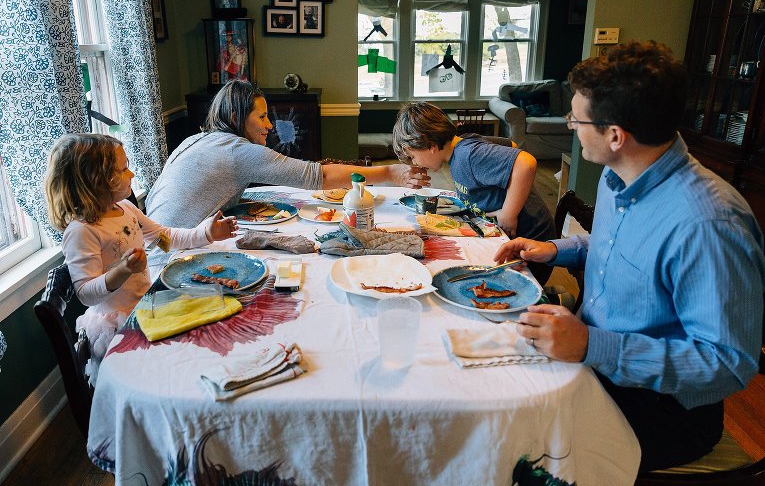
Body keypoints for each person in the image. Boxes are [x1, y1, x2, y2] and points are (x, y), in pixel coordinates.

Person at [493, 41, 765, 472]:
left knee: (510, 444)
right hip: (595, 362)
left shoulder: (709, 223)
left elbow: (729, 364)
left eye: (576, 119)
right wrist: (555, 249)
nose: (571, 126)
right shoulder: (617, 176)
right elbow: (614, 249)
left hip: (663, 410)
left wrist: (590, 343)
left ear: (616, 135)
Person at [44, 134, 238, 384]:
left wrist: (206, 233)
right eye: (123, 169)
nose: (131, 174)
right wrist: (123, 269)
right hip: (119, 325)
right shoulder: (82, 231)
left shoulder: (126, 208)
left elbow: (163, 238)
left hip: (146, 306)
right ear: (96, 180)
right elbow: (85, 293)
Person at [146, 80, 429, 228]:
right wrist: (391, 172)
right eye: (262, 117)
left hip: (156, 243)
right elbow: (320, 176)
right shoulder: (237, 151)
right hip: (173, 255)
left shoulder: (195, 140)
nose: (270, 125)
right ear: (236, 118)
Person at [391, 101, 555, 285]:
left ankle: (557, 300)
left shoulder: (468, 155)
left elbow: (526, 163)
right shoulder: (462, 148)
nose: (415, 163)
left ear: (429, 144)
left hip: (531, 237)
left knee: (506, 287)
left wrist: (509, 214)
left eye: (413, 156)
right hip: (507, 235)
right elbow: (511, 145)